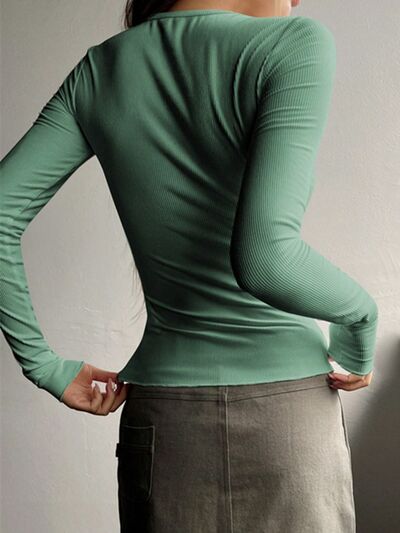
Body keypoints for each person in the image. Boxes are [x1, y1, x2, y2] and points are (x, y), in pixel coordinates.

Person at [0, 0, 379, 531]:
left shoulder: (102, 69)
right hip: (287, 422)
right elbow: (266, 257)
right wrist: (361, 319)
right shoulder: (293, 44)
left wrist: (45, 366)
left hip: (165, 422)